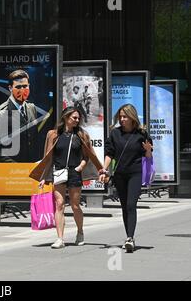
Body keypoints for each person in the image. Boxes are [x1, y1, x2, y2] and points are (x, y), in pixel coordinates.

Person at [32, 107, 103, 249]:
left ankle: (80, 232)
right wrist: (44, 177)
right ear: (66, 117)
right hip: (58, 172)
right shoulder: (53, 134)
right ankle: (60, 239)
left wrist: (81, 167)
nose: (77, 120)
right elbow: (48, 157)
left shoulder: (82, 135)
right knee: (59, 204)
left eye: (78, 118)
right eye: (74, 118)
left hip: (74, 172)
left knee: (75, 205)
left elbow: (87, 156)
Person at [99, 104, 153, 253]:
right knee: (124, 207)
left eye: (125, 116)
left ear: (132, 117)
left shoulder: (142, 134)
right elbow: (110, 153)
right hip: (120, 175)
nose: (122, 119)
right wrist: (104, 169)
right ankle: (129, 235)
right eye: (120, 116)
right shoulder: (115, 134)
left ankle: (130, 238)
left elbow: (148, 157)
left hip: (135, 173)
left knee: (130, 204)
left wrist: (148, 150)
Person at [0, 69, 38, 162]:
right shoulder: (0, 113)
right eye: (18, 87)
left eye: (25, 86)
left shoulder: (32, 108)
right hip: (11, 172)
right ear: (10, 88)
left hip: (31, 169)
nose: (22, 90)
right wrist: (15, 166)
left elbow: (34, 141)